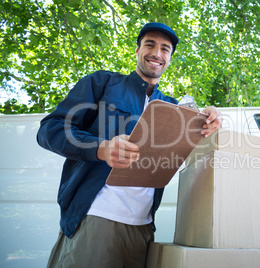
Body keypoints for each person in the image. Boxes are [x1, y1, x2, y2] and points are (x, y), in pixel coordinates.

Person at [37, 22, 222, 268]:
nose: (157, 53)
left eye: (165, 49)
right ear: (137, 51)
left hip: (143, 229)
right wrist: (101, 148)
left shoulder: (172, 106)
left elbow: (192, 155)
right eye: (150, 45)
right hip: (97, 218)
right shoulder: (102, 83)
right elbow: (50, 129)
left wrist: (210, 122)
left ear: (169, 59)